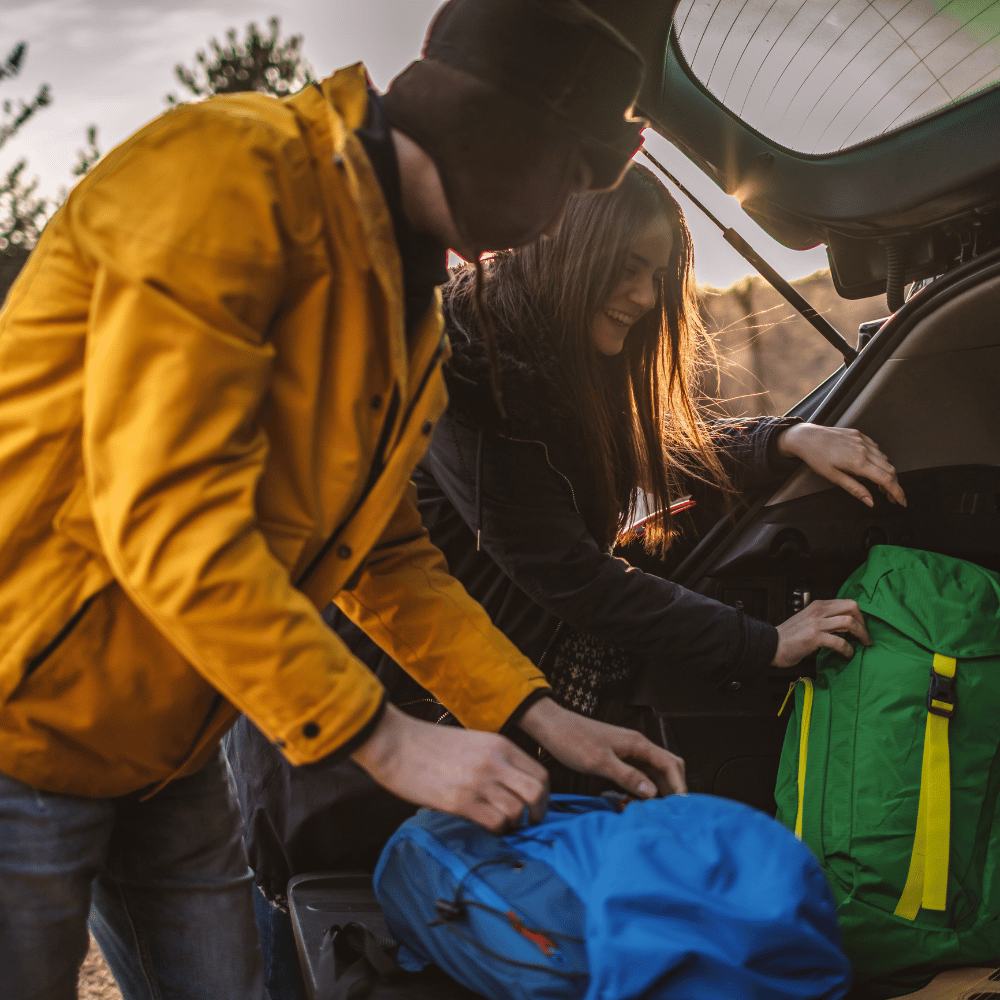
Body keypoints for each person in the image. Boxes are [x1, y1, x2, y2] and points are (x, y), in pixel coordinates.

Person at [0, 3, 687, 997]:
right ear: (503, 140)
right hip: (24, 720)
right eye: (570, 181)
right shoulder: (228, 177)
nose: (559, 220)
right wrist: (386, 738)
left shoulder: (401, 304)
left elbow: (382, 555)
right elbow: (166, 514)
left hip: (175, 736)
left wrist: (532, 710)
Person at [229, 162, 907, 1000]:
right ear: (569, 254)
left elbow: (649, 444)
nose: (645, 295)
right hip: (358, 728)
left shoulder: (554, 360)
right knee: (321, 958)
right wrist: (763, 644)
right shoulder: (472, 377)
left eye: (657, 275)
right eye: (628, 269)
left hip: (460, 713)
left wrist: (782, 439)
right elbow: (570, 576)